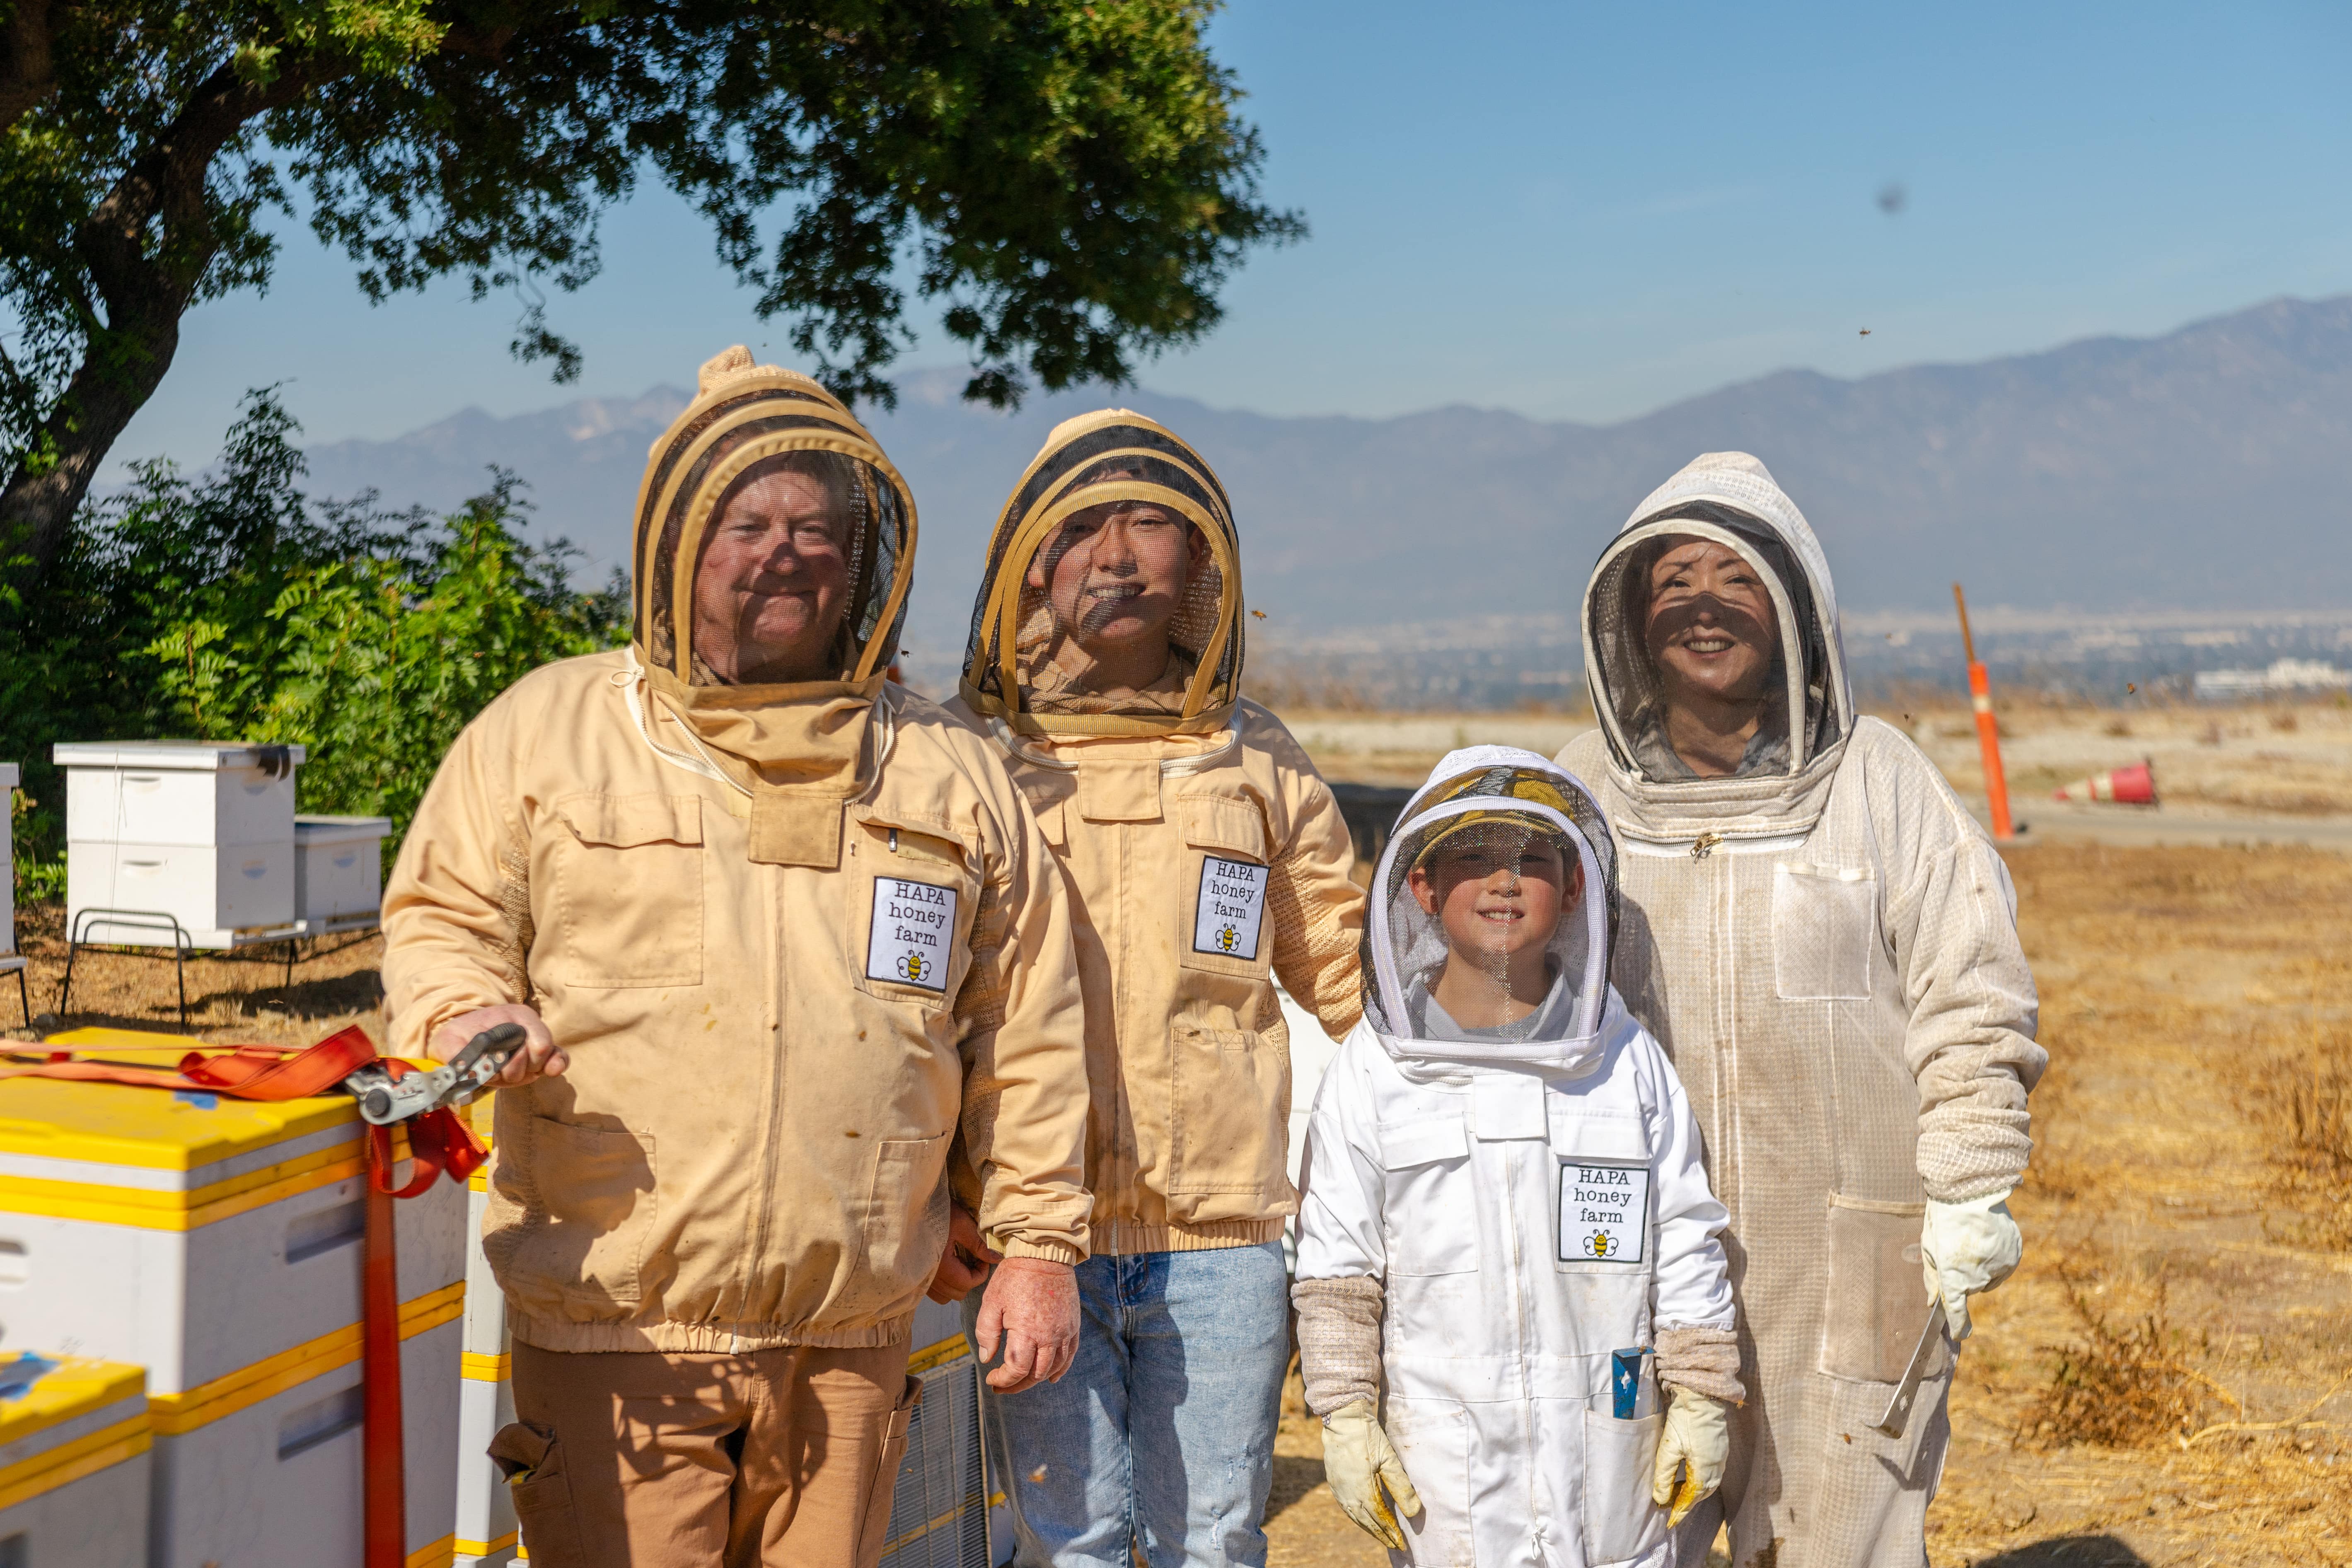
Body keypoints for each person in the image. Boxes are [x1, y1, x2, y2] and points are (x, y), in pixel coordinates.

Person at [381, 347, 1093, 1568]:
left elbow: (1028, 1018)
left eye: (816, 526)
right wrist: (462, 1011)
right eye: (746, 521)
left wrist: (1034, 1243)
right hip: (617, 1331)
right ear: (676, 548)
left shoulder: (944, 768)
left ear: (864, 553)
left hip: (849, 1334)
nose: (784, 550)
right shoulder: (547, 732)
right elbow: (442, 914)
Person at [1559, 452, 2044, 1568]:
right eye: (1672, 577)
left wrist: (1969, 1184)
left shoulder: (1879, 783)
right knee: (1635, 1535)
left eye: (1734, 576)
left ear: (1790, 608)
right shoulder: (1579, 785)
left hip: (1849, 1254)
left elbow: (1970, 990)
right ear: (1631, 618)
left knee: (1845, 1536)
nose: (1701, 601)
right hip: (1631, 1254)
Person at [940, 409, 1367, 1567]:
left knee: (1215, 1538)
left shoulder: (1258, 761)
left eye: (1150, 526)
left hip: (1220, 1234)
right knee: (1066, 1542)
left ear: (1200, 566)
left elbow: (1349, 980)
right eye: (1084, 524)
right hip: (1032, 1238)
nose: (1118, 554)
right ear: (1031, 557)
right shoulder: (965, 763)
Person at [1291, 747, 1742, 1568]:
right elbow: (1337, 1266)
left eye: (1531, 862)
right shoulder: (1376, 1069)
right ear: (1420, 888)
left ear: (1575, 889)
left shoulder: (1623, 1058)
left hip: (1612, 1439)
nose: (1503, 883)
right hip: (1446, 1455)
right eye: (1473, 859)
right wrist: (1347, 1414)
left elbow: (1684, 1232)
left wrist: (1702, 1393)